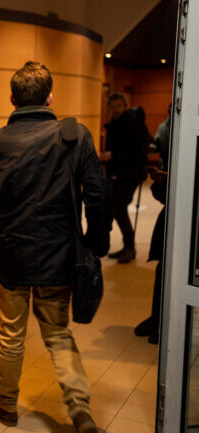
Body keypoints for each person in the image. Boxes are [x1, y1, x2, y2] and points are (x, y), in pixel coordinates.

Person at [0, 61, 112, 433]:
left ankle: (6, 405)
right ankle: (81, 413)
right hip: (59, 255)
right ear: (50, 96)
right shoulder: (74, 135)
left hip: (13, 257)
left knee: (11, 333)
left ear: (12, 98)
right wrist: (95, 245)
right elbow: (98, 195)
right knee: (58, 333)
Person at [134, 103, 171, 344]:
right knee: (162, 269)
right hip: (171, 214)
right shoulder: (167, 131)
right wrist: (161, 179)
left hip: (188, 224)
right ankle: (157, 318)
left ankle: (168, 324)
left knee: (173, 271)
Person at [100, 93, 150, 263]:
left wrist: (112, 155)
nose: (115, 110)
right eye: (112, 106)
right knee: (116, 208)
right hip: (118, 173)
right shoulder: (114, 124)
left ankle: (130, 248)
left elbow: (138, 151)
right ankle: (127, 246)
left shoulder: (133, 124)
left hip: (131, 173)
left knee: (119, 208)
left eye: (118, 106)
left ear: (125, 106)